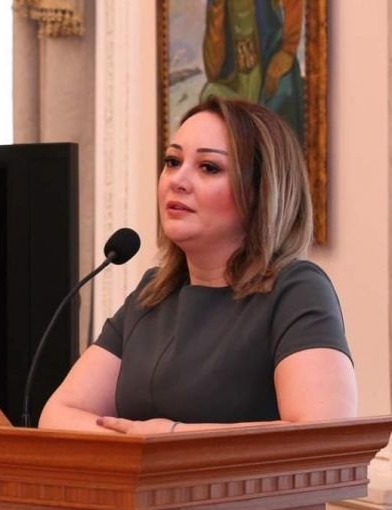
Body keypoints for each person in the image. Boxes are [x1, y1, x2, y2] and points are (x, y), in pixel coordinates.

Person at [39, 97, 356, 436]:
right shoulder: (152, 294)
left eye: (209, 167)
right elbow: (57, 416)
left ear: (261, 191)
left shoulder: (296, 290)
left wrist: (172, 437)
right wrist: (143, 446)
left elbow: (322, 435)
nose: (178, 180)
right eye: (172, 162)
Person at [200, 0, 305, 144]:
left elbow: (294, 4)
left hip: (270, 72)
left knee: (282, 100)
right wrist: (217, 9)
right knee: (209, 97)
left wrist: (287, 51)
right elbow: (213, 70)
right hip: (235, 82)